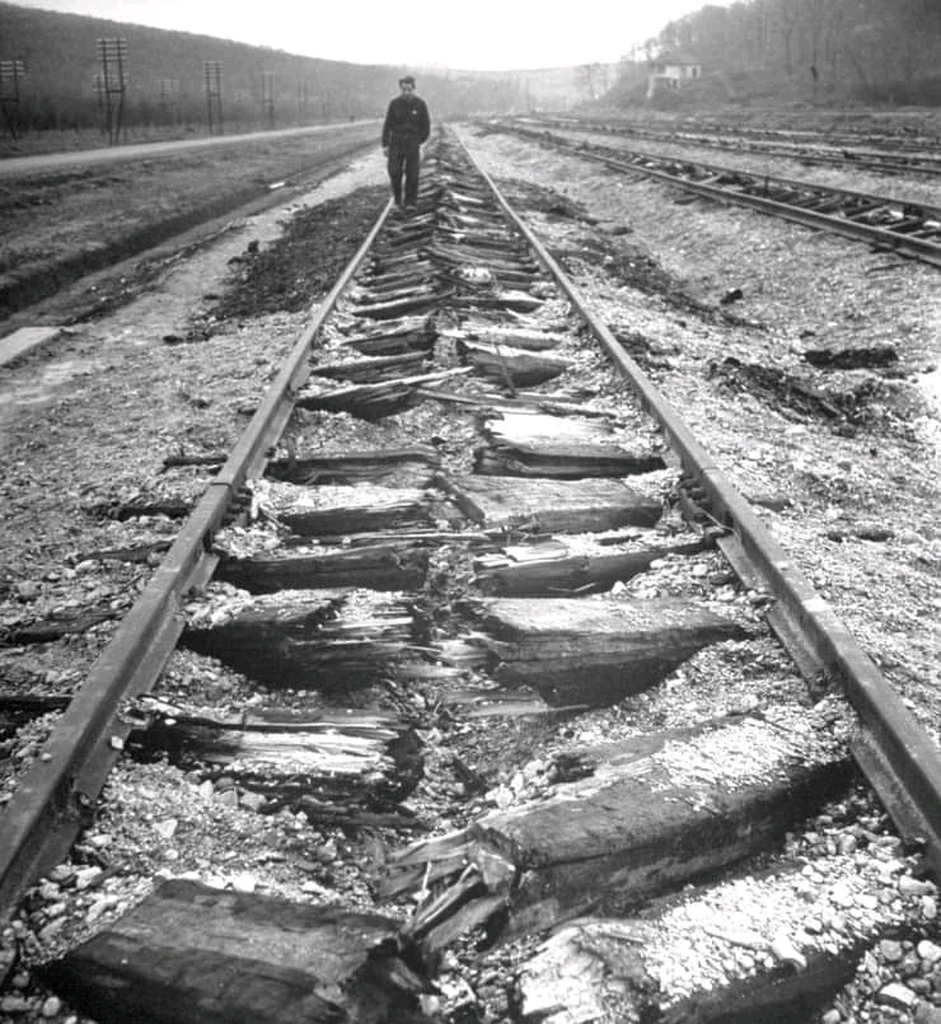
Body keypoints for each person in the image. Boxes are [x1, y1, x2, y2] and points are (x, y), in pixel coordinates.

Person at [382, 75, 430, 213]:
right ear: (400, 89)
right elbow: (387, 125)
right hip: (396, 143)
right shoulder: (394, 104)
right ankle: (397, 201)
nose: (406, 92)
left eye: (409, 89)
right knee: (394, 172)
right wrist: (385, 145)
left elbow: (426, 126)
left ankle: (410, 203)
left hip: (412, 143)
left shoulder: (420, 104)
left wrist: (418, 140)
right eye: (404, 90)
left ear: (414, 89)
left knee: (412, 174)